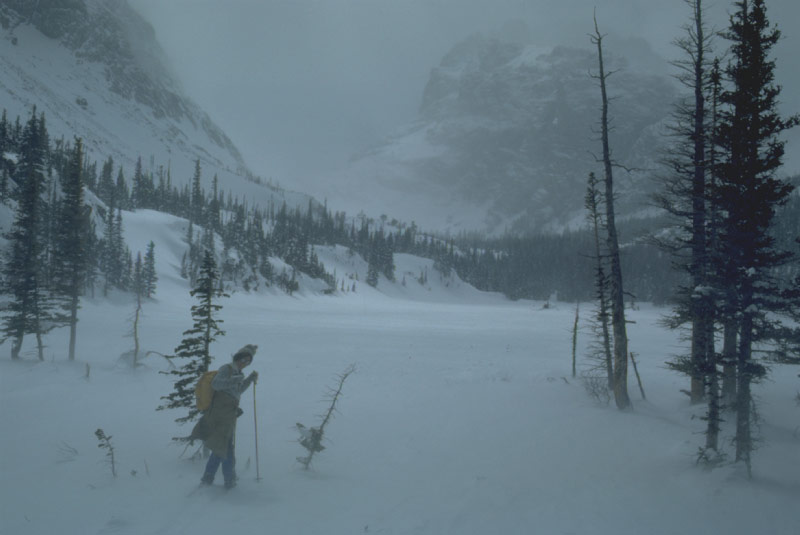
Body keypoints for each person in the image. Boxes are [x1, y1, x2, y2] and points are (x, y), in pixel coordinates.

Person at [194, 344, 259, 489]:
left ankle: (209, 478)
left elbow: (238, 391)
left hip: (228, 415)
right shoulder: (227, 368)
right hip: (220, 415)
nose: (245, 363)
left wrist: (249, 379)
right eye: (244, 359)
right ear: (238, 357)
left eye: (249, 361)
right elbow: (216, 385)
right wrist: (236, 380)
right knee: (225, 447)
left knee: (221, 447)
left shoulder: (238, 372)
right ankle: (228, 480)